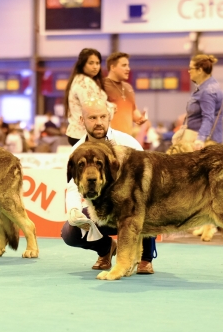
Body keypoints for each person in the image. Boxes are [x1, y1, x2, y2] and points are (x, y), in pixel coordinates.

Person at [61, 99, 156, 275]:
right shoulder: (76, 150)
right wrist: (74, 211)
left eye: (103, 116)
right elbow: (73, 187)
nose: (99, 122)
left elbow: (147, 185)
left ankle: (146, 257)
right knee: (69, 232)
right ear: (82, 120)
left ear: (109, 117)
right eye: (93, 117)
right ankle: (106, 249)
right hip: (101, 211)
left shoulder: (128, 142)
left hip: (134, 210)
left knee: (142, 205)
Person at [64, 48, 115, 146]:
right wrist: (112, 108)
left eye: (98, 63)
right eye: (91, 63)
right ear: (82, 64)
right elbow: (93, 109)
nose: (95, 67)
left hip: (80, 133)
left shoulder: (81, 80)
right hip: (85, 135)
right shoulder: (85, 83)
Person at [185, 54, 223, 150]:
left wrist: (200, 139)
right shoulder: (210, 87)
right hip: (208, 139)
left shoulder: (207, 91)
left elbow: (208, 117)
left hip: (203, 143)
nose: (189, 71)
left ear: (200, 70)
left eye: (191, 68)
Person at [104, 52, 147, 135]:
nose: (128, 69)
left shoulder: (128, 87)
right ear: (112, 67)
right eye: (124, 65)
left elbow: (133, 111)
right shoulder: (102, 85)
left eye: (128, 65)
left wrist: (140, 118)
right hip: (109, 139)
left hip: (127, 139)